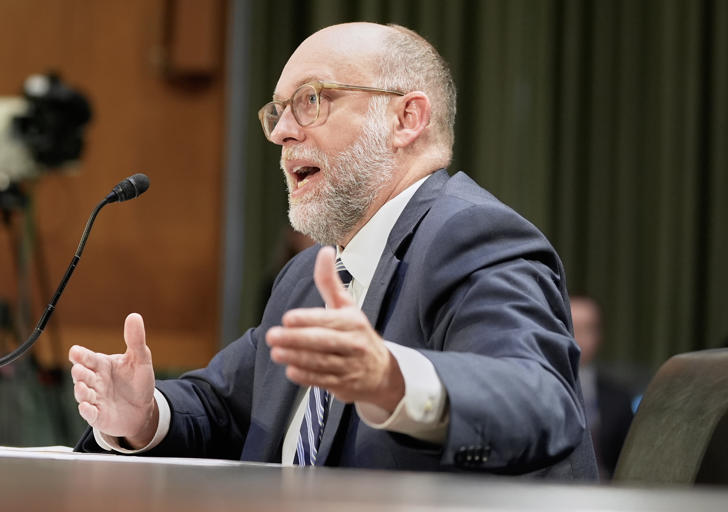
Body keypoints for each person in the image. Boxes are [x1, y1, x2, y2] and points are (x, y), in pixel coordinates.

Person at [70, 22, 598, 478]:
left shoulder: (472, 235)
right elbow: (228, 408)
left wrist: (392, 380)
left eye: (311, 100)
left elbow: (541, 402)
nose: (281, 133)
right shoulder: (310, 275)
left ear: (406, 119)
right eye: (278, 111)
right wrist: (144, 416)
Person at [570, 295, 634, 478]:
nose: (578, 337)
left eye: (587, 329)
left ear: (599, 336)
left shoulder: (619, 398)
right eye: (572, 327)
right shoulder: (537, 391)